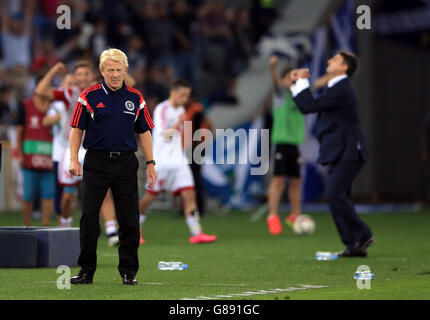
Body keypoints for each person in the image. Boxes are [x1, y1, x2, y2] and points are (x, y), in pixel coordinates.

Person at [68, 48, 156, 285]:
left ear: (126, 71)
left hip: (126, 162)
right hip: (96, 162)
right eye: (110, 70)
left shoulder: (136, 98)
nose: (115, 75)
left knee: (129, 218)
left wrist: (150, 163)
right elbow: (76, 129)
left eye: (119, 70)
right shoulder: (89, 95)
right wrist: (74, 158)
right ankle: (86, 270)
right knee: (88, 216)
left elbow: (144, 132)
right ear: (102, 71)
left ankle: (129, 271)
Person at [290, 51, 374, 257]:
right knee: (338, 196)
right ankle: (354, 244)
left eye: (335, 59)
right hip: (341, 150)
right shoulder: (336, 88)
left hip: (350, 149)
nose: (329, 60)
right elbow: (307, 107)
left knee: (335, 194)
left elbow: (309, 106)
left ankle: (362, 234)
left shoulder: (342, 89)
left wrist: (301, 82)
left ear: (344, 68)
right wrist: (299, 84)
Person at [36, 61, 121, 245]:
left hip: (95, 149)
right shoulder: (69, 93)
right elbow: (41, 91)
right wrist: (53, 70)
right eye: (79, 74)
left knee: (104, 191)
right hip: (72, 149)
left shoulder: (104, 92)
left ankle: (112, 231)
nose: (83, 77)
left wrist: (115, 67)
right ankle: (65, 226)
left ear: (92, 75)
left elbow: (130, 83)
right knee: (67, 196)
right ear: (75, 78)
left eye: (86, 74)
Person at [138, 80, 216, 244]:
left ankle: (196, 232)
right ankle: (134, 229)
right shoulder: (162, 109)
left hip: (179, 161)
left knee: (189, 195)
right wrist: (179, 122)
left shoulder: (181, 109)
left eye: (187, 95)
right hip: (163, 162)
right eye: (182, 95)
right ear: (173, 93)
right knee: (149, 198)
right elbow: (163, 134)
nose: (185, 99)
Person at [265, 56, 305, 235]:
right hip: (280, 143)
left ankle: (295, 214)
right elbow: (275, 84)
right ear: (282, 80)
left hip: (295, 144)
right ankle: (272, 215)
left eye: (294, 77)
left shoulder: (301, 96)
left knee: (296, 181)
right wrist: (273, 68)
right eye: (289, 77)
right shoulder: (280, 95)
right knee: (278, 179)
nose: (292, 80)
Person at [16, 94, 54, 227]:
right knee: (28, 195)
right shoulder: (25, 106)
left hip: (49, 158)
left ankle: (45, 226)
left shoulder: (55, 106)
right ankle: (27, 226)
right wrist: (20, 154)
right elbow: (19, 131)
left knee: (48, 194)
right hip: (30, 159)